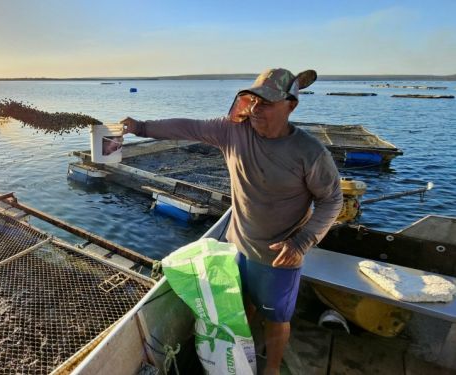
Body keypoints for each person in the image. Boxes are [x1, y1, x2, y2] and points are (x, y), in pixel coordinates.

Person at [121, 68, 342, 375]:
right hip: (236, 246)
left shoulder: (310, 153)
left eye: (267, 103)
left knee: (276, 318)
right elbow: (189, 127)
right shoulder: (233, 131)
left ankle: (272, 369)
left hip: (279, 256)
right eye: (253, 100)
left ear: (291, 106)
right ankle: (244, 358)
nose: (256, 109)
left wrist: (302, 242)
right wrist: (141, 127)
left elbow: (332, 200)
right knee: (244, 307)